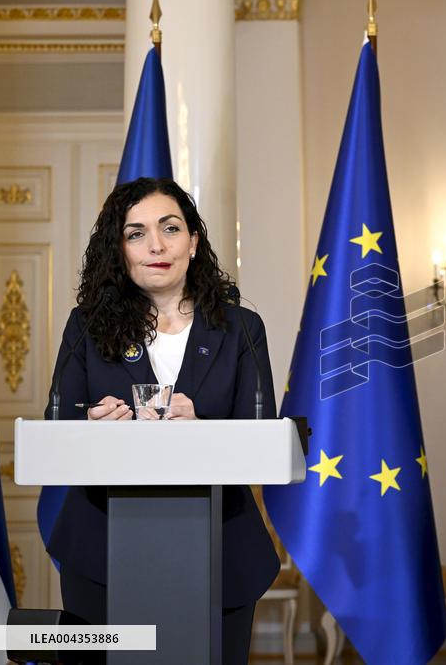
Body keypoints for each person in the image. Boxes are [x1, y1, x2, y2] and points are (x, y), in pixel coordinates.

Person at [45, 177, 280, 664]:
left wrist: (204, 429)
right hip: (102, 554)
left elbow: (265, 444)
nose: (155, 245)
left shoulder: (241, 329)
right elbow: (54, 428)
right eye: (135, 233)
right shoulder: (85, 326)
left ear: (193, 242)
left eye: (169, 228)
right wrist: (93, 430)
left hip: (221, 556)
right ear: (119, 250)